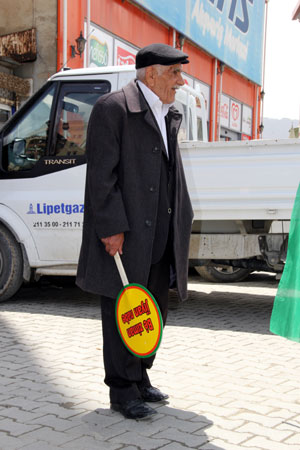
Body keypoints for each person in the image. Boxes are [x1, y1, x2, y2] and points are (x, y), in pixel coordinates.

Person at [76, 43, 194, 420]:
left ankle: (141, 375)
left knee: (151, 307)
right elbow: (101, 176)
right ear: (151, 73)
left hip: (160, 230)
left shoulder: (167, 112)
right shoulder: (113, 108)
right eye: (174, 72)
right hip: (127, 233)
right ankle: (122, 389)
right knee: (122, 310)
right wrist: (110, 228)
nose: (181, 80)